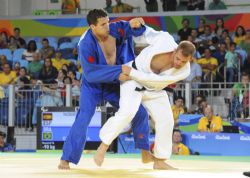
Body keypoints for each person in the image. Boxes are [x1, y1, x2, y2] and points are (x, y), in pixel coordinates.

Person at [58, 9, 152, 169]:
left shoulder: (116, 29)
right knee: (83, 118)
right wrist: (119, 71)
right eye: (103, 24)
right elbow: (91, 73)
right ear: (92, 27)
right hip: (93, 86)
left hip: (114, 83)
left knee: (140, 112)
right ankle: (66, 159)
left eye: (108, 22)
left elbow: (137, 29)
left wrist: (138, 23)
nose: (107, 26)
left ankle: (144, 151)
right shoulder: (85, 44)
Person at [94, 25, 195, 169]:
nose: (179, 63)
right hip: (132, 81)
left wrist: (130, 72)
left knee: (166, 120)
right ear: (175, 50)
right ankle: (103, 146)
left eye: (184, 61)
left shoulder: (184, 72)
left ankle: (160, 160)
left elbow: (157, 81)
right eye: (177, 58)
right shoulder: (165, 39)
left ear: (190, 60)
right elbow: (148, 33)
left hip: (154, 88)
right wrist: (139, 26)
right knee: (127, 112)